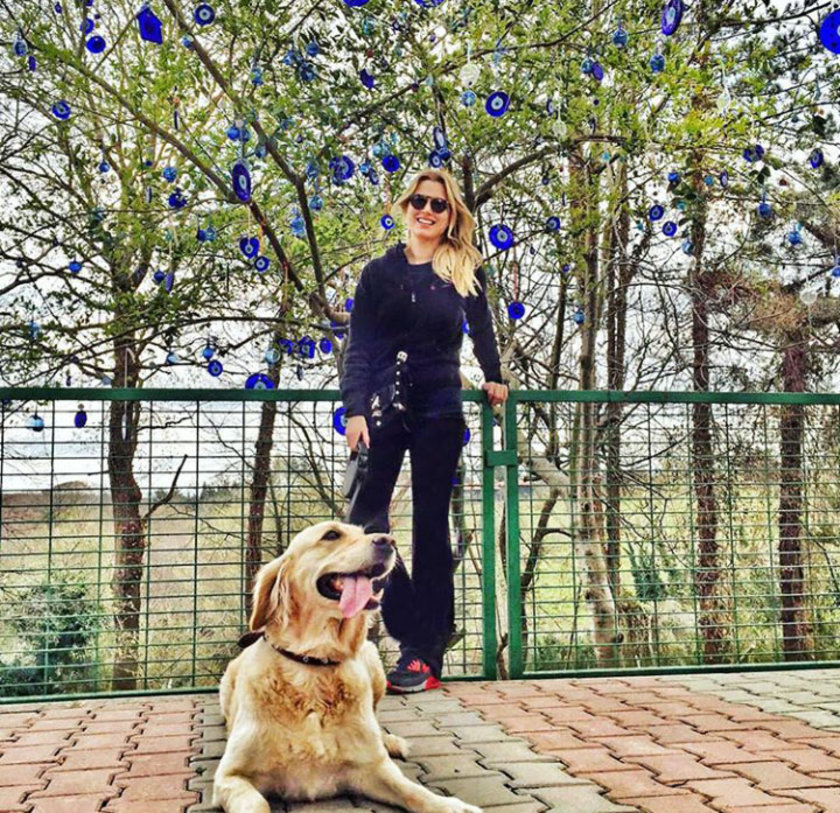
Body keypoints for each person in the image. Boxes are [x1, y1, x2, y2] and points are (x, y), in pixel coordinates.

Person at [339, 168, 508, 693]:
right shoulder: (378, 274)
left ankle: (423, 655)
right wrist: (354, 410)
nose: (427, 210)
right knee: (365, 521)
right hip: (384, 410)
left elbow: (482, 330)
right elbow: (359, 346)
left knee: (431, 527)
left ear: (451, 213)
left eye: (438, 204)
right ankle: (414, 626)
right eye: (419, 201)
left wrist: (495, 376)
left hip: (440, 409)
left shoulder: (462, 268)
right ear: (405, 207)